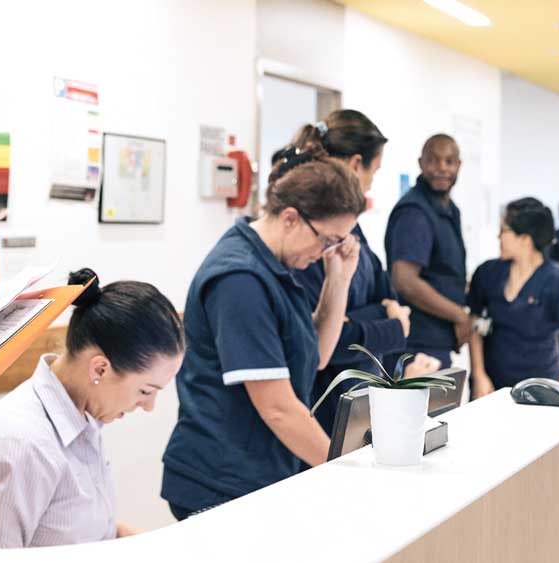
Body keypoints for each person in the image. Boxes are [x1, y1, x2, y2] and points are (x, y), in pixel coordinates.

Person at [161, 149, 363, 520]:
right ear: (290, 218)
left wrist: (339, 278)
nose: (325, 252)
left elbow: (316, 356)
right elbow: (278, 408)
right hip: (221, 480)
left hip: (264, 472)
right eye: (327, 240)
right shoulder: (239, 280)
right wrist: (351, 472)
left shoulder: (278, 266)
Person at [0, 268, 185, 548]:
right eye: (145, 391)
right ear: (100, 368)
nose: (148, 407)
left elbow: (80, 530)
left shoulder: (82, 417)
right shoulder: (19, 445)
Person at [292, 111, 438, 433]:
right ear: (357, 163)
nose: (371, 183)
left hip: (358, 403)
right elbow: (326, 340)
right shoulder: (310, 242)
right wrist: (390, 326)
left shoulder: (353, 231)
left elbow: (386, 296)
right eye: (374, 172)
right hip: (320, 408)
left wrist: (369, 316)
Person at [467, 198, 559, 396]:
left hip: (541, 389)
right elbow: (474, 323)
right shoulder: (488, 272)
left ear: (525, 238)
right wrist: (479, 375)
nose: (499, 237)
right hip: (490, 388)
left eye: (504, 231)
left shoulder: (556, 280)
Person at [384, 134, 468, 371]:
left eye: (449, 161)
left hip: (437, 339)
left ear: (458, 165)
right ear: (421, 163)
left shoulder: (449, 209)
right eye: (434, 160)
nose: (442, 168)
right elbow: (405, 280)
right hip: (416, 344)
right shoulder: (415, 212)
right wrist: (459, 316)